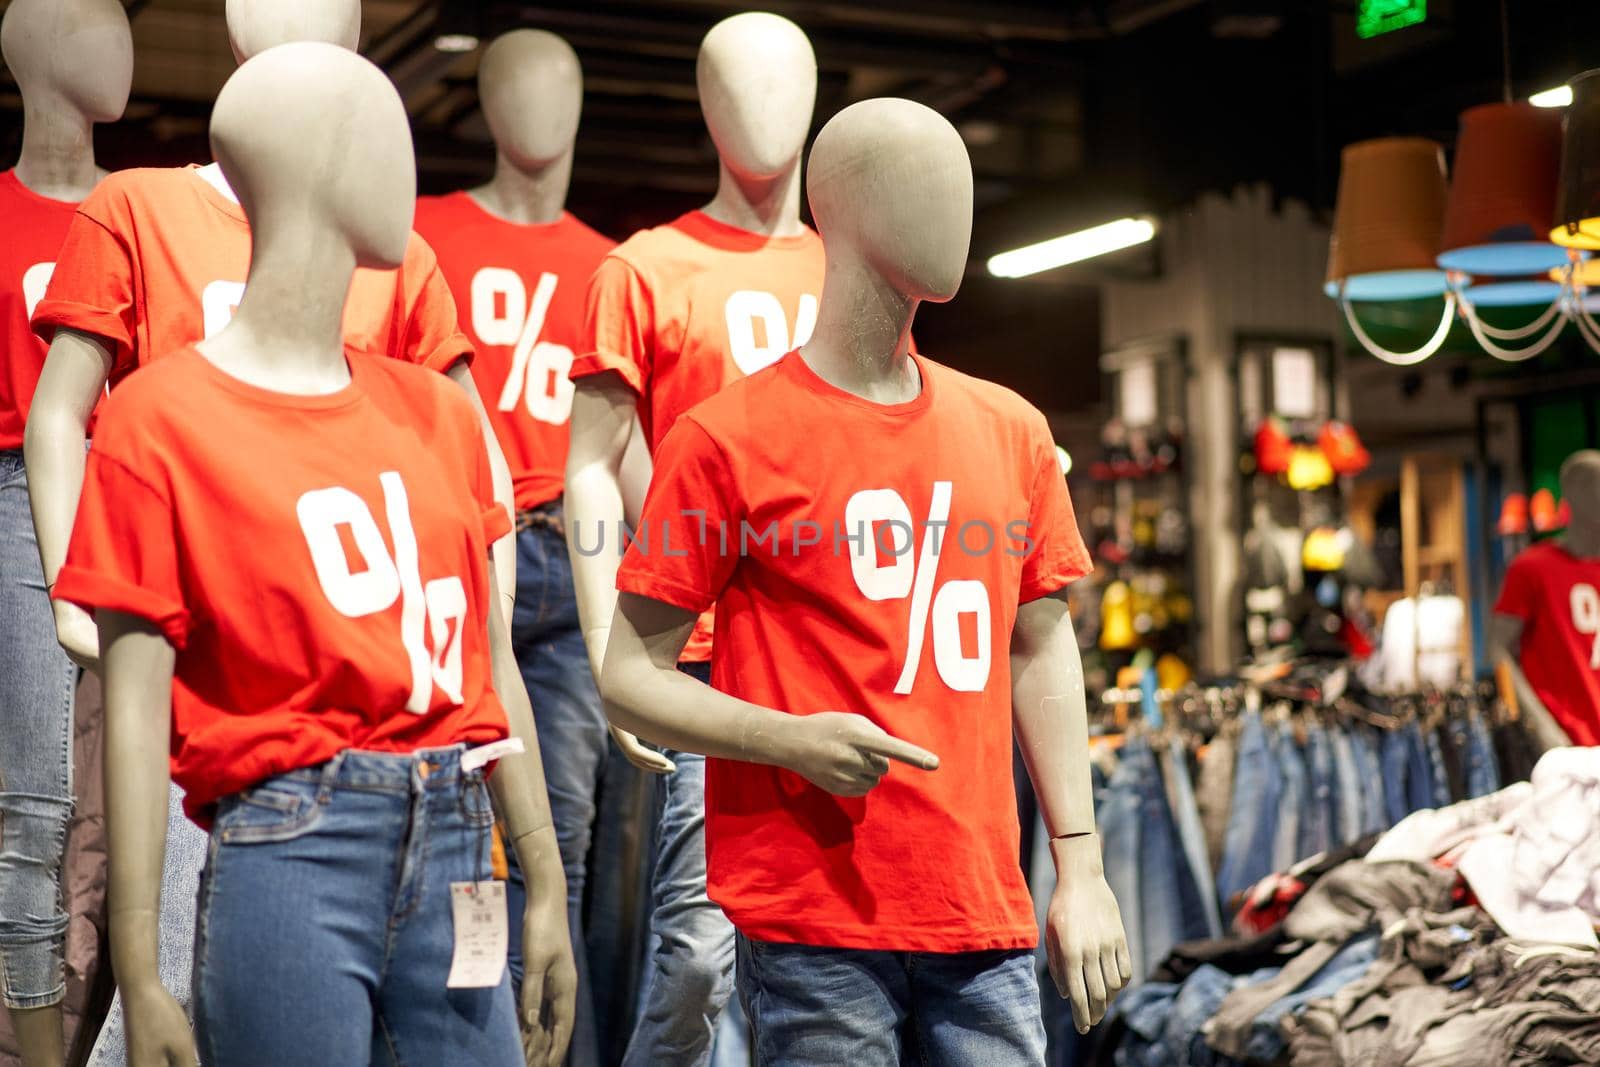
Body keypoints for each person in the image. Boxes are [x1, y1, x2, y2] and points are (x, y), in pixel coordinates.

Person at [51, 43, 574, 1067]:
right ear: (326, 160)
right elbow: (136, 702)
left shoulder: (436, 413)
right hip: (294, 839)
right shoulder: (162, 419)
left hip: (466, 830)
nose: (413, 169)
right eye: (392, 136)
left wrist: (544, 881)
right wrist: (143, 972)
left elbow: (487, 660)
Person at [599, 97, 1130, 1065]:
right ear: (837, 209)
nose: (957, 214)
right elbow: (629, 673)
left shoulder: (1009, 429)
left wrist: (1081, 865)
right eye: (927, 186)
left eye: (964, 186)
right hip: (816, 920)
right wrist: (783, 738)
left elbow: (1041, 641)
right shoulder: (727, 438)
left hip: (984, 916)